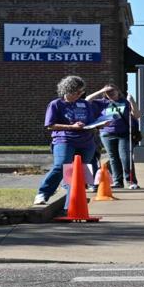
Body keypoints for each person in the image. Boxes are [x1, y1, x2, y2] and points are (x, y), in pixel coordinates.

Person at [36, 75, 104, 205]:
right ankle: (43, 193)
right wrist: (71, 127)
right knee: (61, 165)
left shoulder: (84, 104)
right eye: (77, 92)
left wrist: (100, 124)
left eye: (82, 92)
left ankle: (73, 202)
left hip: (86, 141)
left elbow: (91, 121)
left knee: (80, 171)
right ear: (67, 90)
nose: (80, 94)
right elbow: (50, 125)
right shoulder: (56, 104)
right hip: (64, 139)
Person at [88, 84, 139, 190]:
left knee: (125, 157)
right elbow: (87, 100)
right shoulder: (102, 103)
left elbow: (137, 115)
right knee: (113, 158)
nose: (110, 92)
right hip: (107, 133)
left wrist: (132, 101)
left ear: (118, 91)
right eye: (108, 91)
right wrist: (101, 89)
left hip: (124, 134)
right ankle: (117, 181)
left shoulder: (125, 102)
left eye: (112, 90)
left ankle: (131, 181)